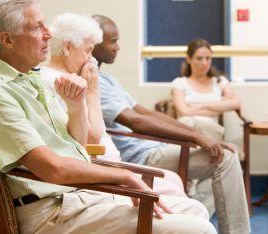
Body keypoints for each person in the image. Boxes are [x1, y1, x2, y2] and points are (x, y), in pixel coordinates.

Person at [0, 1, 216, 233]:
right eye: (37, 27)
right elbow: (53, 169)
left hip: (78, 196)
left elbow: (79, 146)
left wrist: (76, 104)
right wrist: (126, 177)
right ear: (7, 39)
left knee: (194, 209)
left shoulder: (31, 75)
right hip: (50, 211)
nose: (49, 33)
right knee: (199, 228)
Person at [92, 15, 250, 234]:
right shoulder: (94, 83)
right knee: (225, 160)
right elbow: (135, 121)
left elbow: (144, 112)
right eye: (112, 41)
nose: (118, 47)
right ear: (93, 42)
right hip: (140, 158)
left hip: (155, 148)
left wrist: (199, 135)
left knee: (222, 157)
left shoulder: (108, 80)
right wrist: (197, 137)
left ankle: (193, 222)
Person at [41, 12, 185, 197]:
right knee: (172, 187)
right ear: (67, 47)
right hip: (97, 170)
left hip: (107, 164)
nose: (91, 59)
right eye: (88, 51)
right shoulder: (63, 83)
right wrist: (92, 92)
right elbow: (92, 138)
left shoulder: (71, 78)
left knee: (172, 180)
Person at [171, 39, 241, 140]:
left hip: (212, 132)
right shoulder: (179, 83)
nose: (204, 63)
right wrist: (216, 108)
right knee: (186, 121)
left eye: (208, 58)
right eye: (199, 58)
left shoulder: (219, 81)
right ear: (189, 59)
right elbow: (184, 112)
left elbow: (235, 103)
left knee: (189, 122)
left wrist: (202, 105)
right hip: (186, 131)